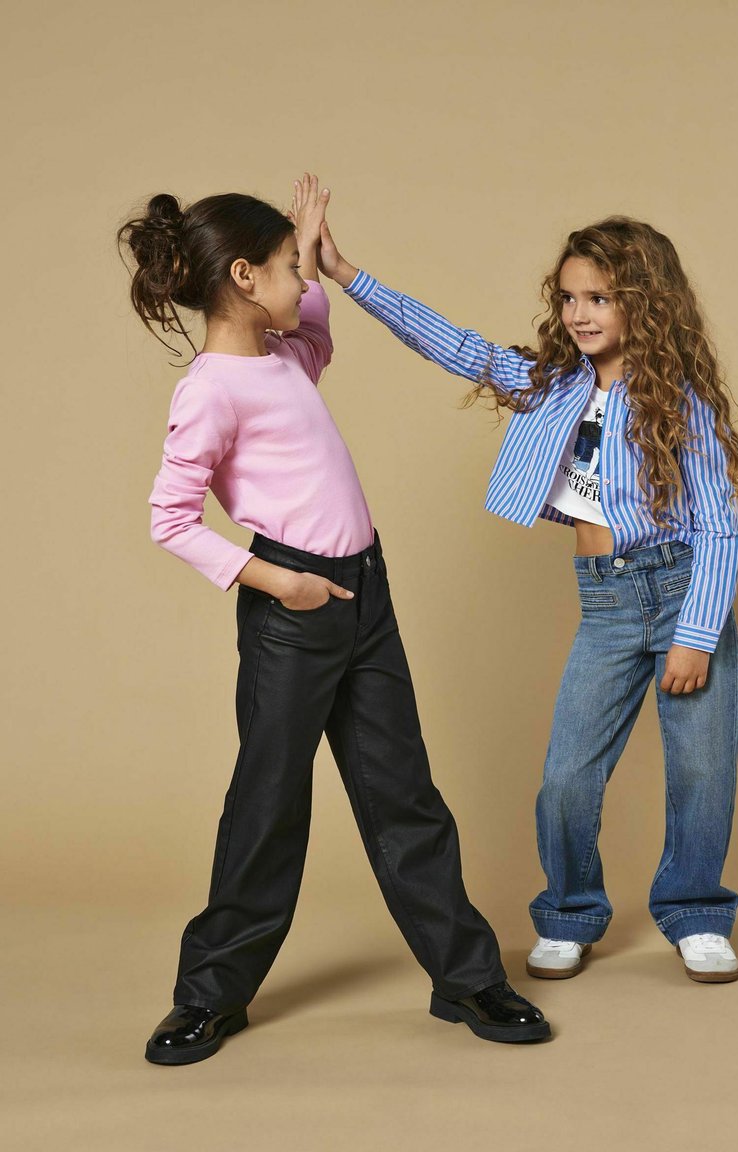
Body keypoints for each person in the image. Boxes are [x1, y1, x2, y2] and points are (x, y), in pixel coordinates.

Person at [117, 175, 551, 1065]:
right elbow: (170, 518)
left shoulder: (286, 355)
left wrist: (314, 252)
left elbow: (312, 323)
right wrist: (279, 584)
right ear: (242, 277)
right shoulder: (211, 389)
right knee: (269, 805)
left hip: (367, 593)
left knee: (406, 797)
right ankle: (208, 997)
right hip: (297, 608)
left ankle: (466, 978)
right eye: (284, 267)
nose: (298, 280)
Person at [318, 212, 738, 985]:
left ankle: (697, 913)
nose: (579, 314)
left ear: (645, 305)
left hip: (685, 592)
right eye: (569, 296)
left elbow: (719, 528)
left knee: (702, 773)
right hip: (608, 604)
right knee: (567, 777)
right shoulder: (551, 386)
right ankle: (572, 912)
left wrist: (698, 635)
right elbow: (458, 348)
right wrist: (350, 276)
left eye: (600, 298)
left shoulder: (683, 402)